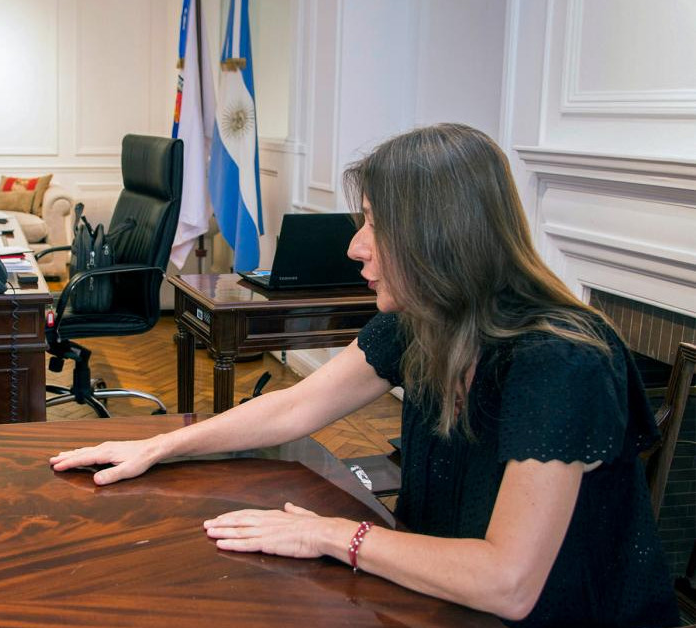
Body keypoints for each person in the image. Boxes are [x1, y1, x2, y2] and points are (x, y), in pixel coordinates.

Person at [51, 124, 680, 627]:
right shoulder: (426, 318)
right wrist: (160, 445)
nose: (356, 245)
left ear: (440, 236)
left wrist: (331, 536)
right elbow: (298, 406)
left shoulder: (559, 360)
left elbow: (507, 583)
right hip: (446, 602)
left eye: (376, 222)